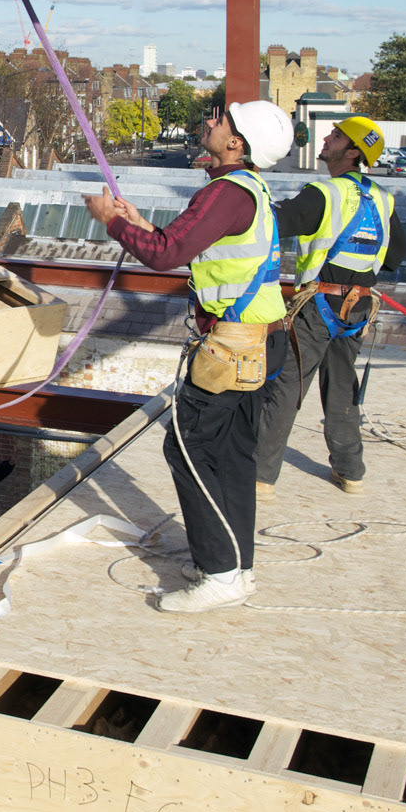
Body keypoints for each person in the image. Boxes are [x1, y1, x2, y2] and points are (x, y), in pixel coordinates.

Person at [83, 99, 293, 614]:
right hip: (256, 337)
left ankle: (221, 573)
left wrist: (112, 223)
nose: (212, 121)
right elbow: (177, 242)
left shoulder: (225, 192)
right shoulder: (245, 189)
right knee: (231, 455)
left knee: (190, 450)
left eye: (222, 120)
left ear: (236, 144)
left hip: (234, 344)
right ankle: (232, 566)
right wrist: (137, 222)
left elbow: (164, 256)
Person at [255, 114, 406, 498]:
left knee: (288, 385)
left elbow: (275, 222)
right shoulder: (384, 199)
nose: (327, 138)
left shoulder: (325, 194)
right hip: (357, 310)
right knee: (342, 387)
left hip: (318, 304)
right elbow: (395, 256)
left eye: (337, 136)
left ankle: (260, 478)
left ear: (353, 151)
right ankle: (350, 471)